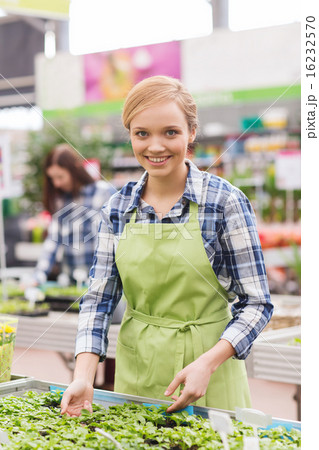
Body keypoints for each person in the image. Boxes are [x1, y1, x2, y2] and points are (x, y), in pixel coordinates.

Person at [61, 76, 273, 416]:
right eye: (142, 133)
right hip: (137, 373)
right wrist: (84, 376)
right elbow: (98, 301)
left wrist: (209, 362)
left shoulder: (224, 203)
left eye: (170, 132)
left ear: (191, 132)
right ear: (130, 134)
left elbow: (257, 304)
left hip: (211, 376)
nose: (155, 147)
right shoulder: (117, 208)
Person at [33, 143, 116, 285]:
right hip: (71, 282)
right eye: (52, 178)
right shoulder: (60, 201)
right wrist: (38, 276)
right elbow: (52, 242)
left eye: (60, 177)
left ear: (74, 171)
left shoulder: (103, 192)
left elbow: (113, 240)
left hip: (103, 284)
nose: (56, 183)